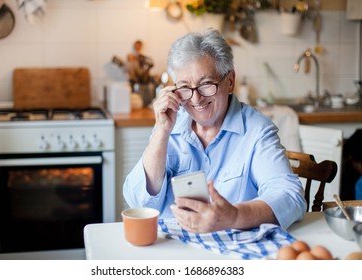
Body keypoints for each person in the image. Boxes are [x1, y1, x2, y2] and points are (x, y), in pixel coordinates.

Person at [123, 28, 306, 233]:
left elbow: (290, 197)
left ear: (229, 81)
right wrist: (160, 132)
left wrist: (234, 216)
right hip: (172, 249)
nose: (196, 99)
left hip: (234, 251)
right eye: (184, 87)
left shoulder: (256, 130)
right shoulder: (168, 125)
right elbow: (138, 202)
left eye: (206, 84)